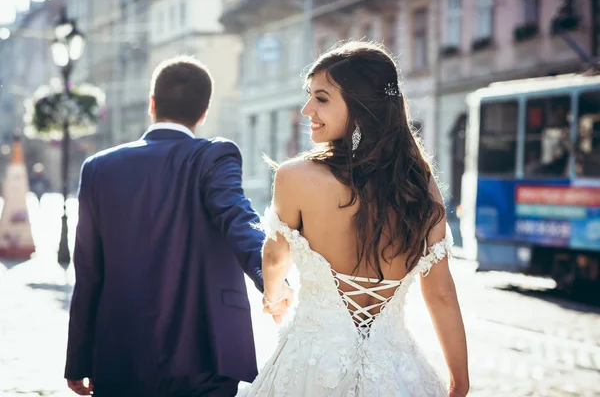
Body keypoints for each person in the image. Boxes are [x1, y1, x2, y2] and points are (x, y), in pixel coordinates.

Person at [239, 42, 469, 396]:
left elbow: (273, 256)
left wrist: (275, 296)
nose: (306, 109)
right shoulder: (420, 185)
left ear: (361, 107)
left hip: (309, 368)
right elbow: (440, 292)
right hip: (397, 373)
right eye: (310, 96)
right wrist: (459, 381)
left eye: (322, 98)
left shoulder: (294, 177)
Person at [64, 56, 271, 397]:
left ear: (152, 103)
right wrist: (270, 274)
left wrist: (79, 359)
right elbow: (239, 219)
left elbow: (88, 272)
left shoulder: (98, 168)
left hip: (120, 354)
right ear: (204, 112)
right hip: (204, 352)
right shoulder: (214, 157)